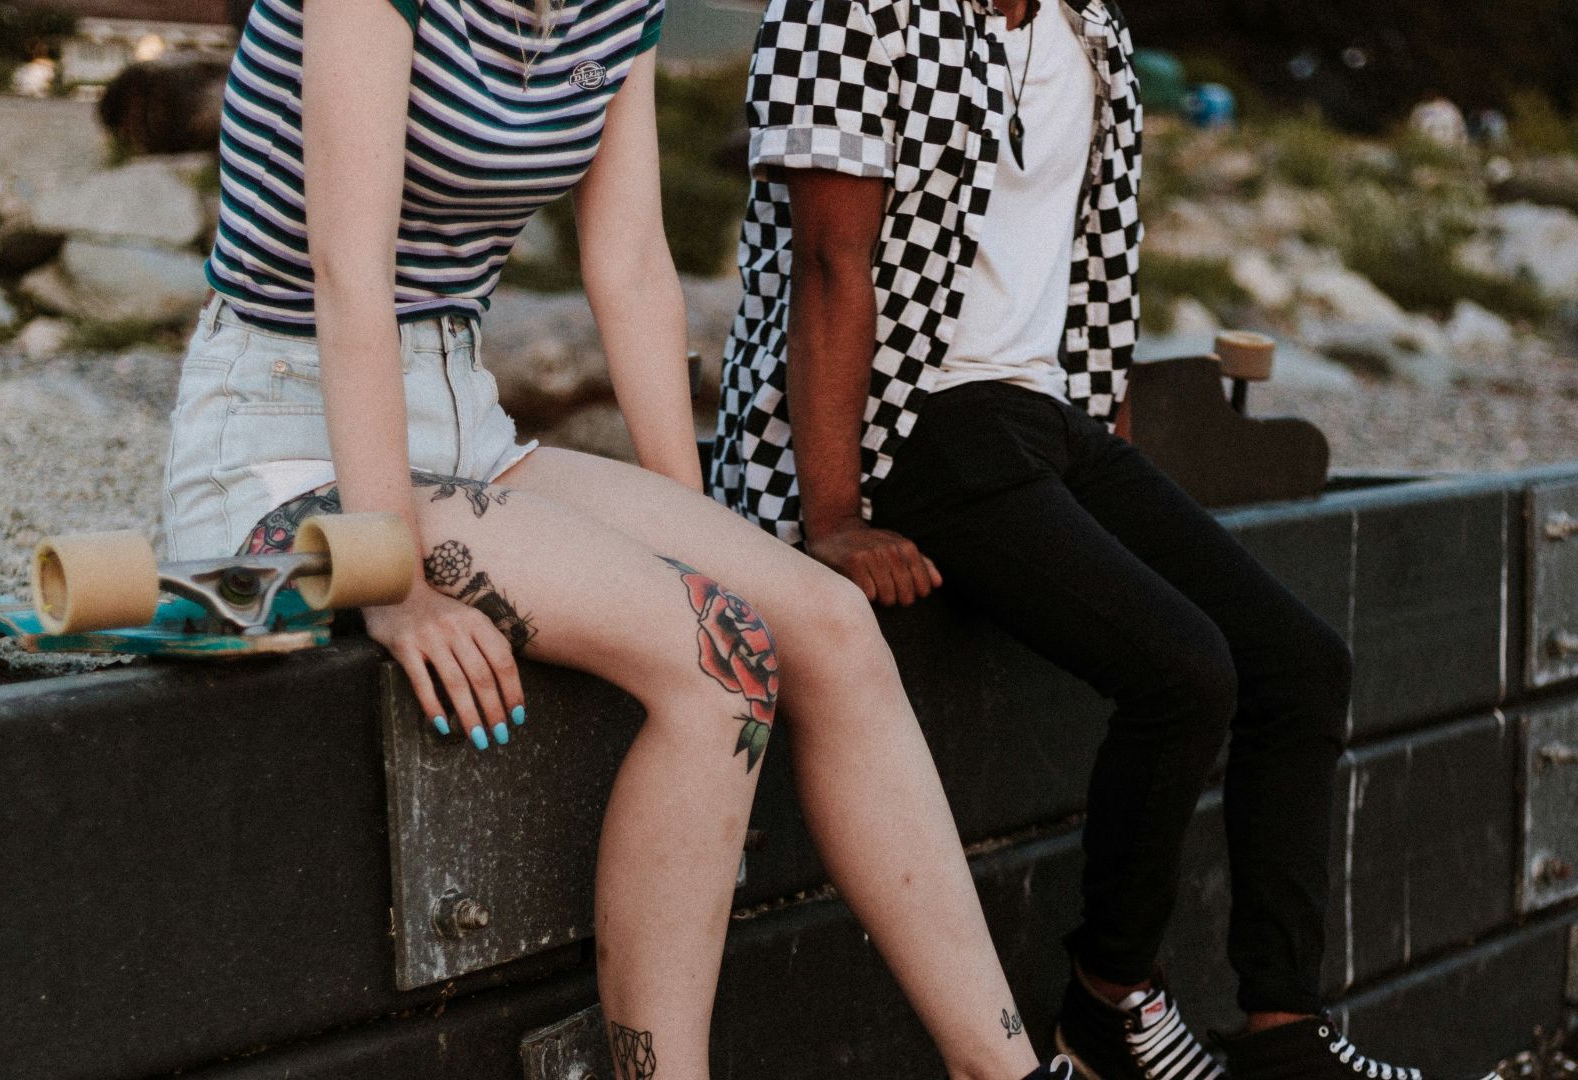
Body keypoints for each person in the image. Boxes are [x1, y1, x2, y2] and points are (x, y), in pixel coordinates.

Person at [162, 2, 1072, 1078]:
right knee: (719, 659)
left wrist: (697, 528)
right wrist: (389, 572)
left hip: (461, 419)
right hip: (282, 438)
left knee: (824, 621)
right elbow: (347, 279)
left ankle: (1001, 1069)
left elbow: (632, 260)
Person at [710, 3, 1503, 1080]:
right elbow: (829, 264)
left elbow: (1090, 255)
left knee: (1300, 665)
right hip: (911, 426)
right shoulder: (848, 11)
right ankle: (1109, 1003)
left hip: (1045, 419)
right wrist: (836, 516)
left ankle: (1285, 1037)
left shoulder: (1089, 30)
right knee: (1185, 670)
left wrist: (1108, 451)